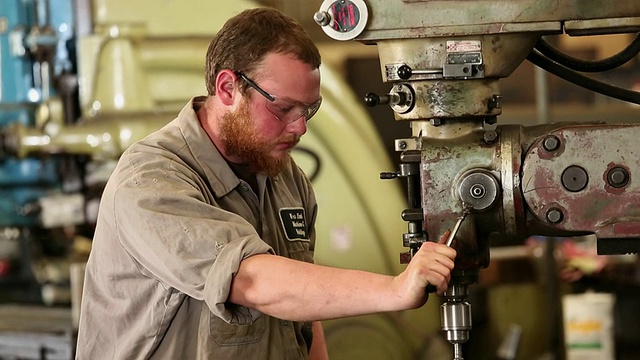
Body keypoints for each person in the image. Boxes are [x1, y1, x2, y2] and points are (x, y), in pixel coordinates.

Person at [76, 7, 457, 360]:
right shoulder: (152, 180)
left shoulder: (286, 177)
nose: (300, 127)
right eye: (282, 109)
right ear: (227, 88)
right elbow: (253, 280)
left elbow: (300, 306)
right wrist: (394, 289)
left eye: (309, 110)